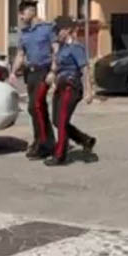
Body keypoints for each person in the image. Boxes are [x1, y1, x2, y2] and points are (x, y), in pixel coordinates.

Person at [45, 16, 97, 166]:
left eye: (59, 30)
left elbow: (85, 69)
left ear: (67, 30)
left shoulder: (76, 48)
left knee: (61, 121)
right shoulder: (61, 48)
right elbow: (56, 65)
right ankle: (84, 139)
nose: (57, 34)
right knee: (57, 120)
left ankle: (60, 155)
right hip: (60, 86)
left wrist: (88, 91)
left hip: (71, 87)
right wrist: (52, 73)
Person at [9, 0, 57, 159]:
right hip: (31, 74)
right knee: (39, 108)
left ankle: (42, 144)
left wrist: (53, 71)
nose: (21, 17)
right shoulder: (25, 33)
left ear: (31, 12)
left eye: (22, 13)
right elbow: (21, 54)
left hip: (44, 71)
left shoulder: (47, 29)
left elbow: (56, 50)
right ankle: (47, 142)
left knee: (34, 106)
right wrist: (13, 72)